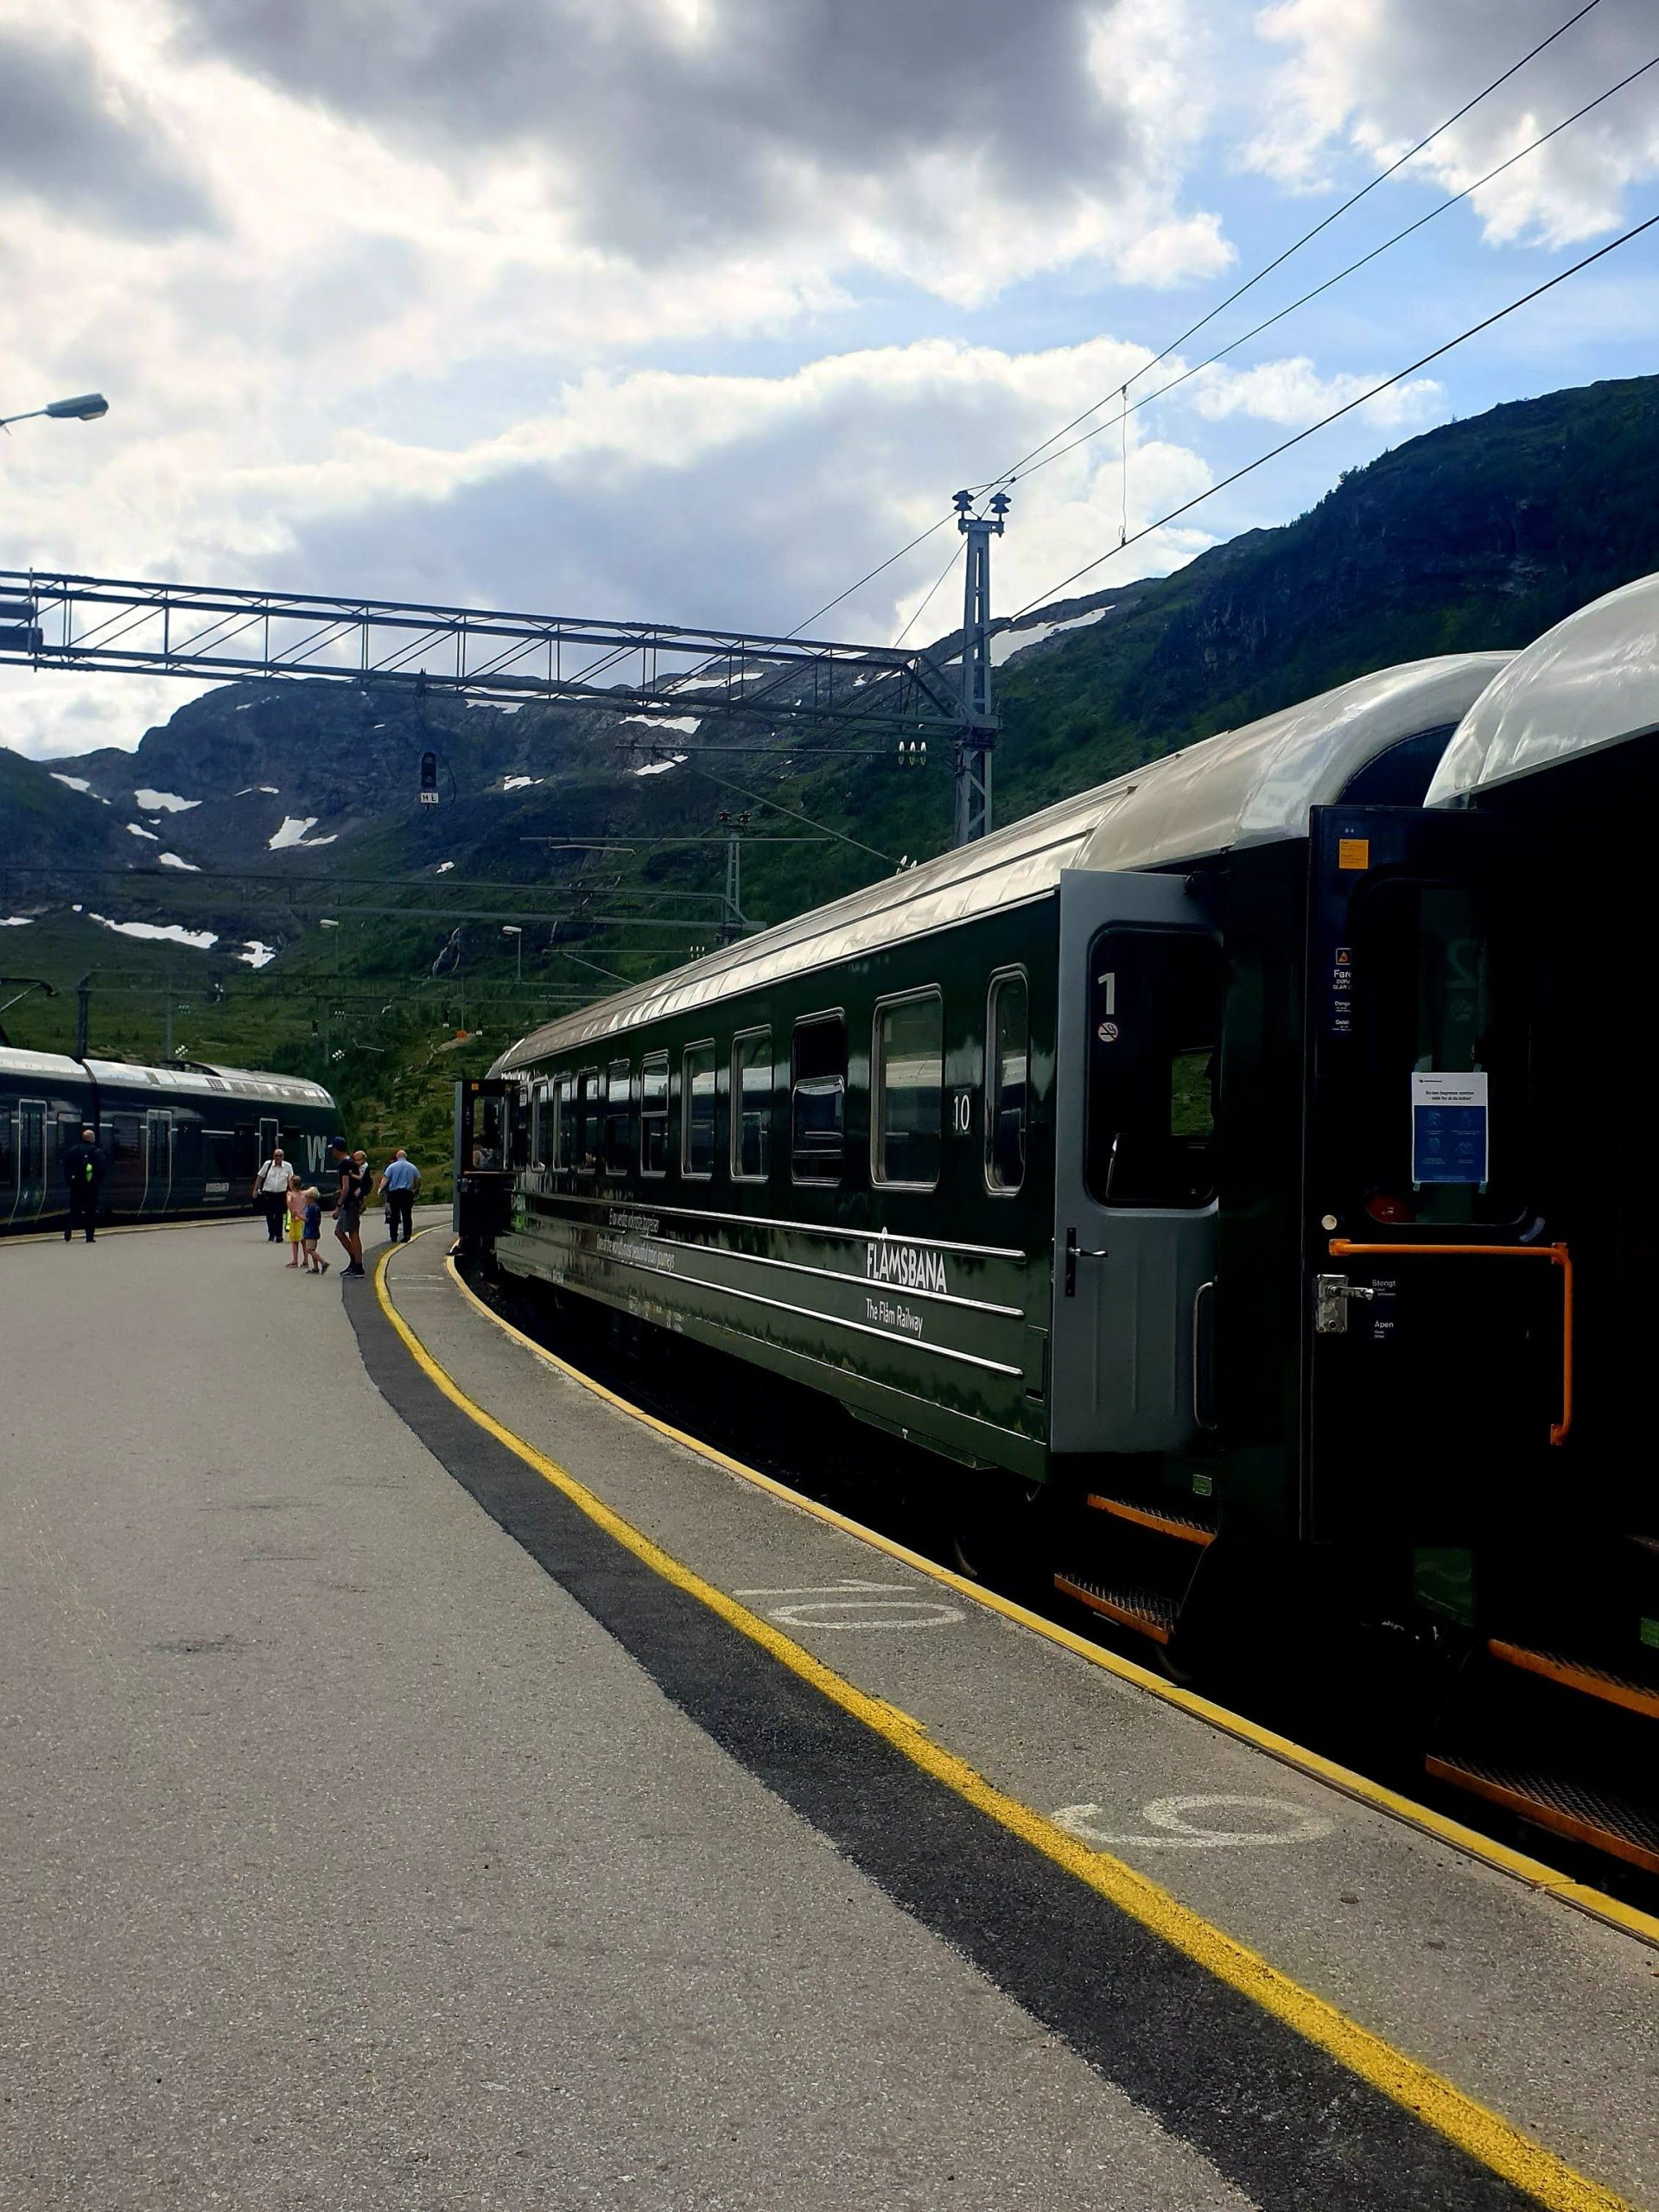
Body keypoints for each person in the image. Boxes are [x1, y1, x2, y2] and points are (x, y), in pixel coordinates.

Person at [331, 1141, 371, 1278]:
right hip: (353, 1202)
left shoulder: (344, 1164)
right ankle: (354, 1261)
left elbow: (347, 1186)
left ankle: (358, 1265)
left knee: (351, 1233)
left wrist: (338, 1206)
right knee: (342, 1232)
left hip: (349, 1204)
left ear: (337, 1150)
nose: (332, 1152)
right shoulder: (351, 1163)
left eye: (333, 1150)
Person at [62, 1123, 107, 1244]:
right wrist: (97, 1183)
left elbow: (66, 1167)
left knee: (74, 1210)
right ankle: (89, 1237)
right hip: (91, 1188)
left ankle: (68, 1229)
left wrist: (70, 1182)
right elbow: (101, 1169)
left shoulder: (74, 1150)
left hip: (76, 1186)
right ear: (92, 1139)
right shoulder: (96, 1152)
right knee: (90, 1212)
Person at [376, 1147, 421, 1243]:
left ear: (397, 1156)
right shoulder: (412, 1167)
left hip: (394, 1193)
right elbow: (417, 1180)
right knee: (407, 1215)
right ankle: (407, 1235)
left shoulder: (392, 1167)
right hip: (407, 1193)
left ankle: (393, 1236)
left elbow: (386, 1179)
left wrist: (380, 1189)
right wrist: (415, 1190)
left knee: (394, 1215)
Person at [252, 1145, 289, 1242]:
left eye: (280, 1156)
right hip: (268, 1193)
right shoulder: (268, 1165)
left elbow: (291, 1180)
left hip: (281, 1193)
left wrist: (293, 1193)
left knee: (279, 1215)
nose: (278, 1158)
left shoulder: (288, 1167)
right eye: (276, 1156)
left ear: (283, 1157)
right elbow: (260, 1177)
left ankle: (279, 1235)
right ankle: (271, 1234)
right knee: (269, 1214)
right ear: (273, 1156)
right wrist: (255, 1190)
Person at [301, 1187, 327, 1275]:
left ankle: (323, 1263)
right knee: (313, 1249)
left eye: (307, 1197)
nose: (305, 1199)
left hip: (310, 1232)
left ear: (311, 1198)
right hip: (315, 1230)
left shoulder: (311, 1209)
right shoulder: (317, 1208)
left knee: (309, 1250)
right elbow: (319, 1220)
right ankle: (315, 1267)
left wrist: (298, 1215)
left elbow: (307, 1219)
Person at [283, 1170, 308, 1268]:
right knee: (303, 1240)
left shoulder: (290, 1194)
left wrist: (292, 1211)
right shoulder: (304, 1194)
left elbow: (289, 1203)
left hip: (295, 1218)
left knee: (294, 1241)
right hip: (303, 1217)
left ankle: (295, 1260)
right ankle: (306, 1260)